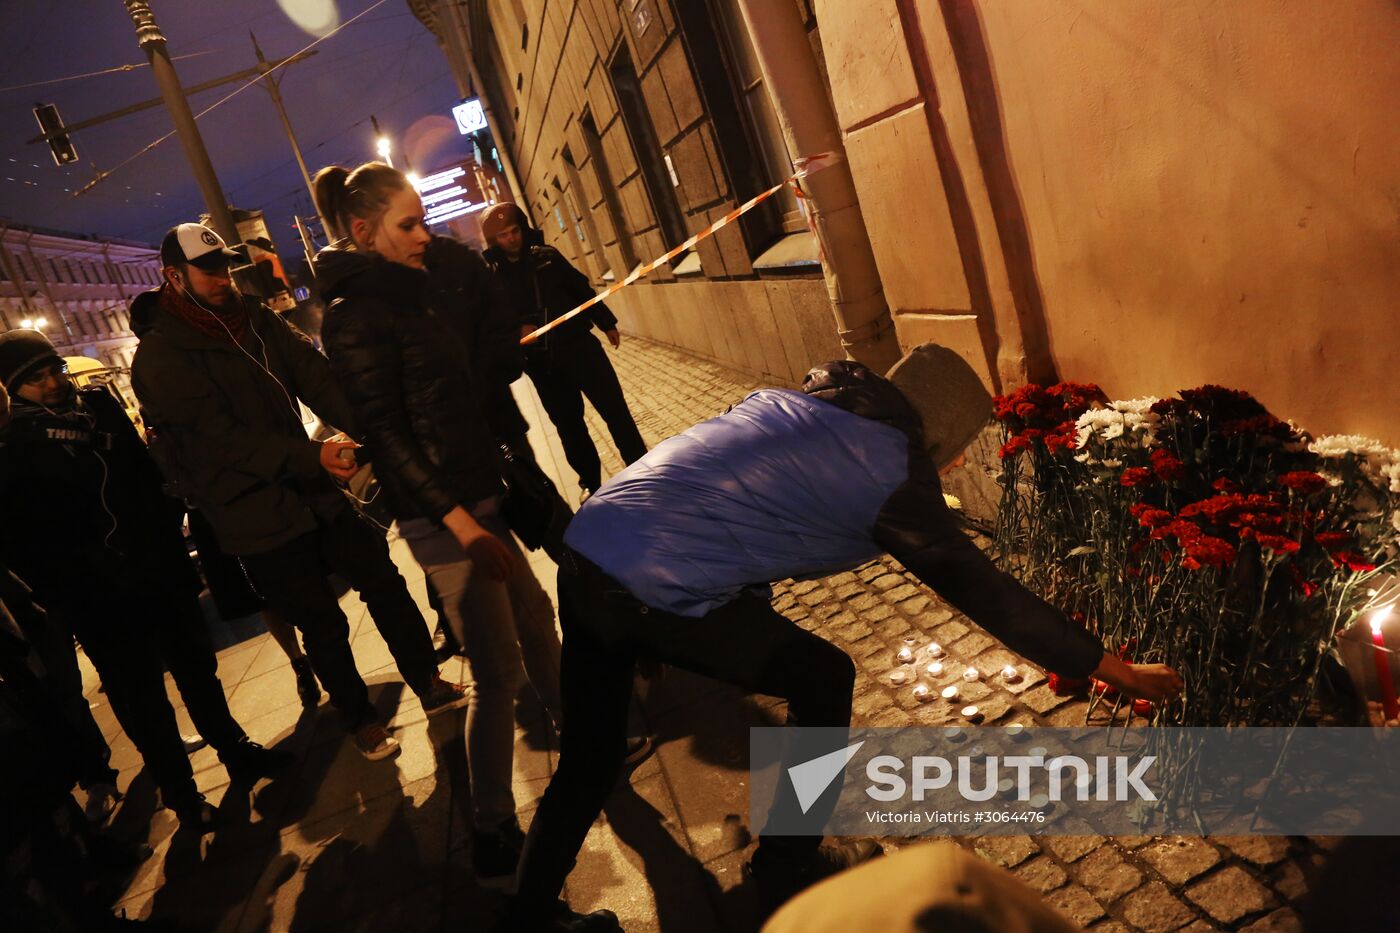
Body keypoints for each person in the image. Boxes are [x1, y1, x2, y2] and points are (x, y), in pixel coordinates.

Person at [504, 345, 1185, 932]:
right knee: (823, 675)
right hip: (653, 580)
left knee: (589, 759)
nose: (946, 471)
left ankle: (527, 916)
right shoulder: (887, 470)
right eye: (951, 456)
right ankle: (786, 859)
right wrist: (1113, 668)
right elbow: (990, 594)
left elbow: (724, 515)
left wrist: (644, 616)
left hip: (590, 549)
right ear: (939, 436)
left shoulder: (798, 409)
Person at [310, 162, 567, 887]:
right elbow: (386, 436)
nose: (425, 234)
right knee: (494, 674)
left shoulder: (407, 294)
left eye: (423, 219)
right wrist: (460, 521)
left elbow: (450, 397)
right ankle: (491, 830)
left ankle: (583, 738)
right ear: (364, 232)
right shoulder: (355, 316)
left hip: (475, 498)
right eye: (409, 224)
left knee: (538, 616)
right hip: (445, 518)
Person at [129, 223, 468, 762]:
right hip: (254, 514)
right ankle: (361, 720)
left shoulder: (255, 319)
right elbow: (220, 440)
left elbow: (317, 377)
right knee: (322, 624)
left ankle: (426, 681)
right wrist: (310, 456)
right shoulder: (159, 357)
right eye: (209, 271)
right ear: (174, 277)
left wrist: (379, 427)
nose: (224, 279)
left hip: (313, 490)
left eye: (226, 267)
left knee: (383, 581)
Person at [0, 330, 291, 832]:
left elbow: (143, 481)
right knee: (146, 705)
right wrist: (74, 592)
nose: (52, 383)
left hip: (158, 575)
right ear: (14, 389)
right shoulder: (13, 448)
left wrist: (170, 548)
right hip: (99, 600)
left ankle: (236, 750)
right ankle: (184, 798)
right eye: (36, 379)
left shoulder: (100, 409)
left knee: (199, 673)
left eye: (54, 371)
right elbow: (27, 542)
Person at [481, 202, 647, 499]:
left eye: (514, 230)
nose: (511, 238)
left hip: (581, 349)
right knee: (570, 428)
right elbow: (493, 324)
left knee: (615, 410)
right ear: (494, 241)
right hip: (544, 366)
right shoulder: (492, 279)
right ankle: (593, 486)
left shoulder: (547, 257)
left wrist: (606, 322)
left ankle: (642, 465)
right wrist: (516, 332)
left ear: (522, 228)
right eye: (503, 235)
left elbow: (580, 289)